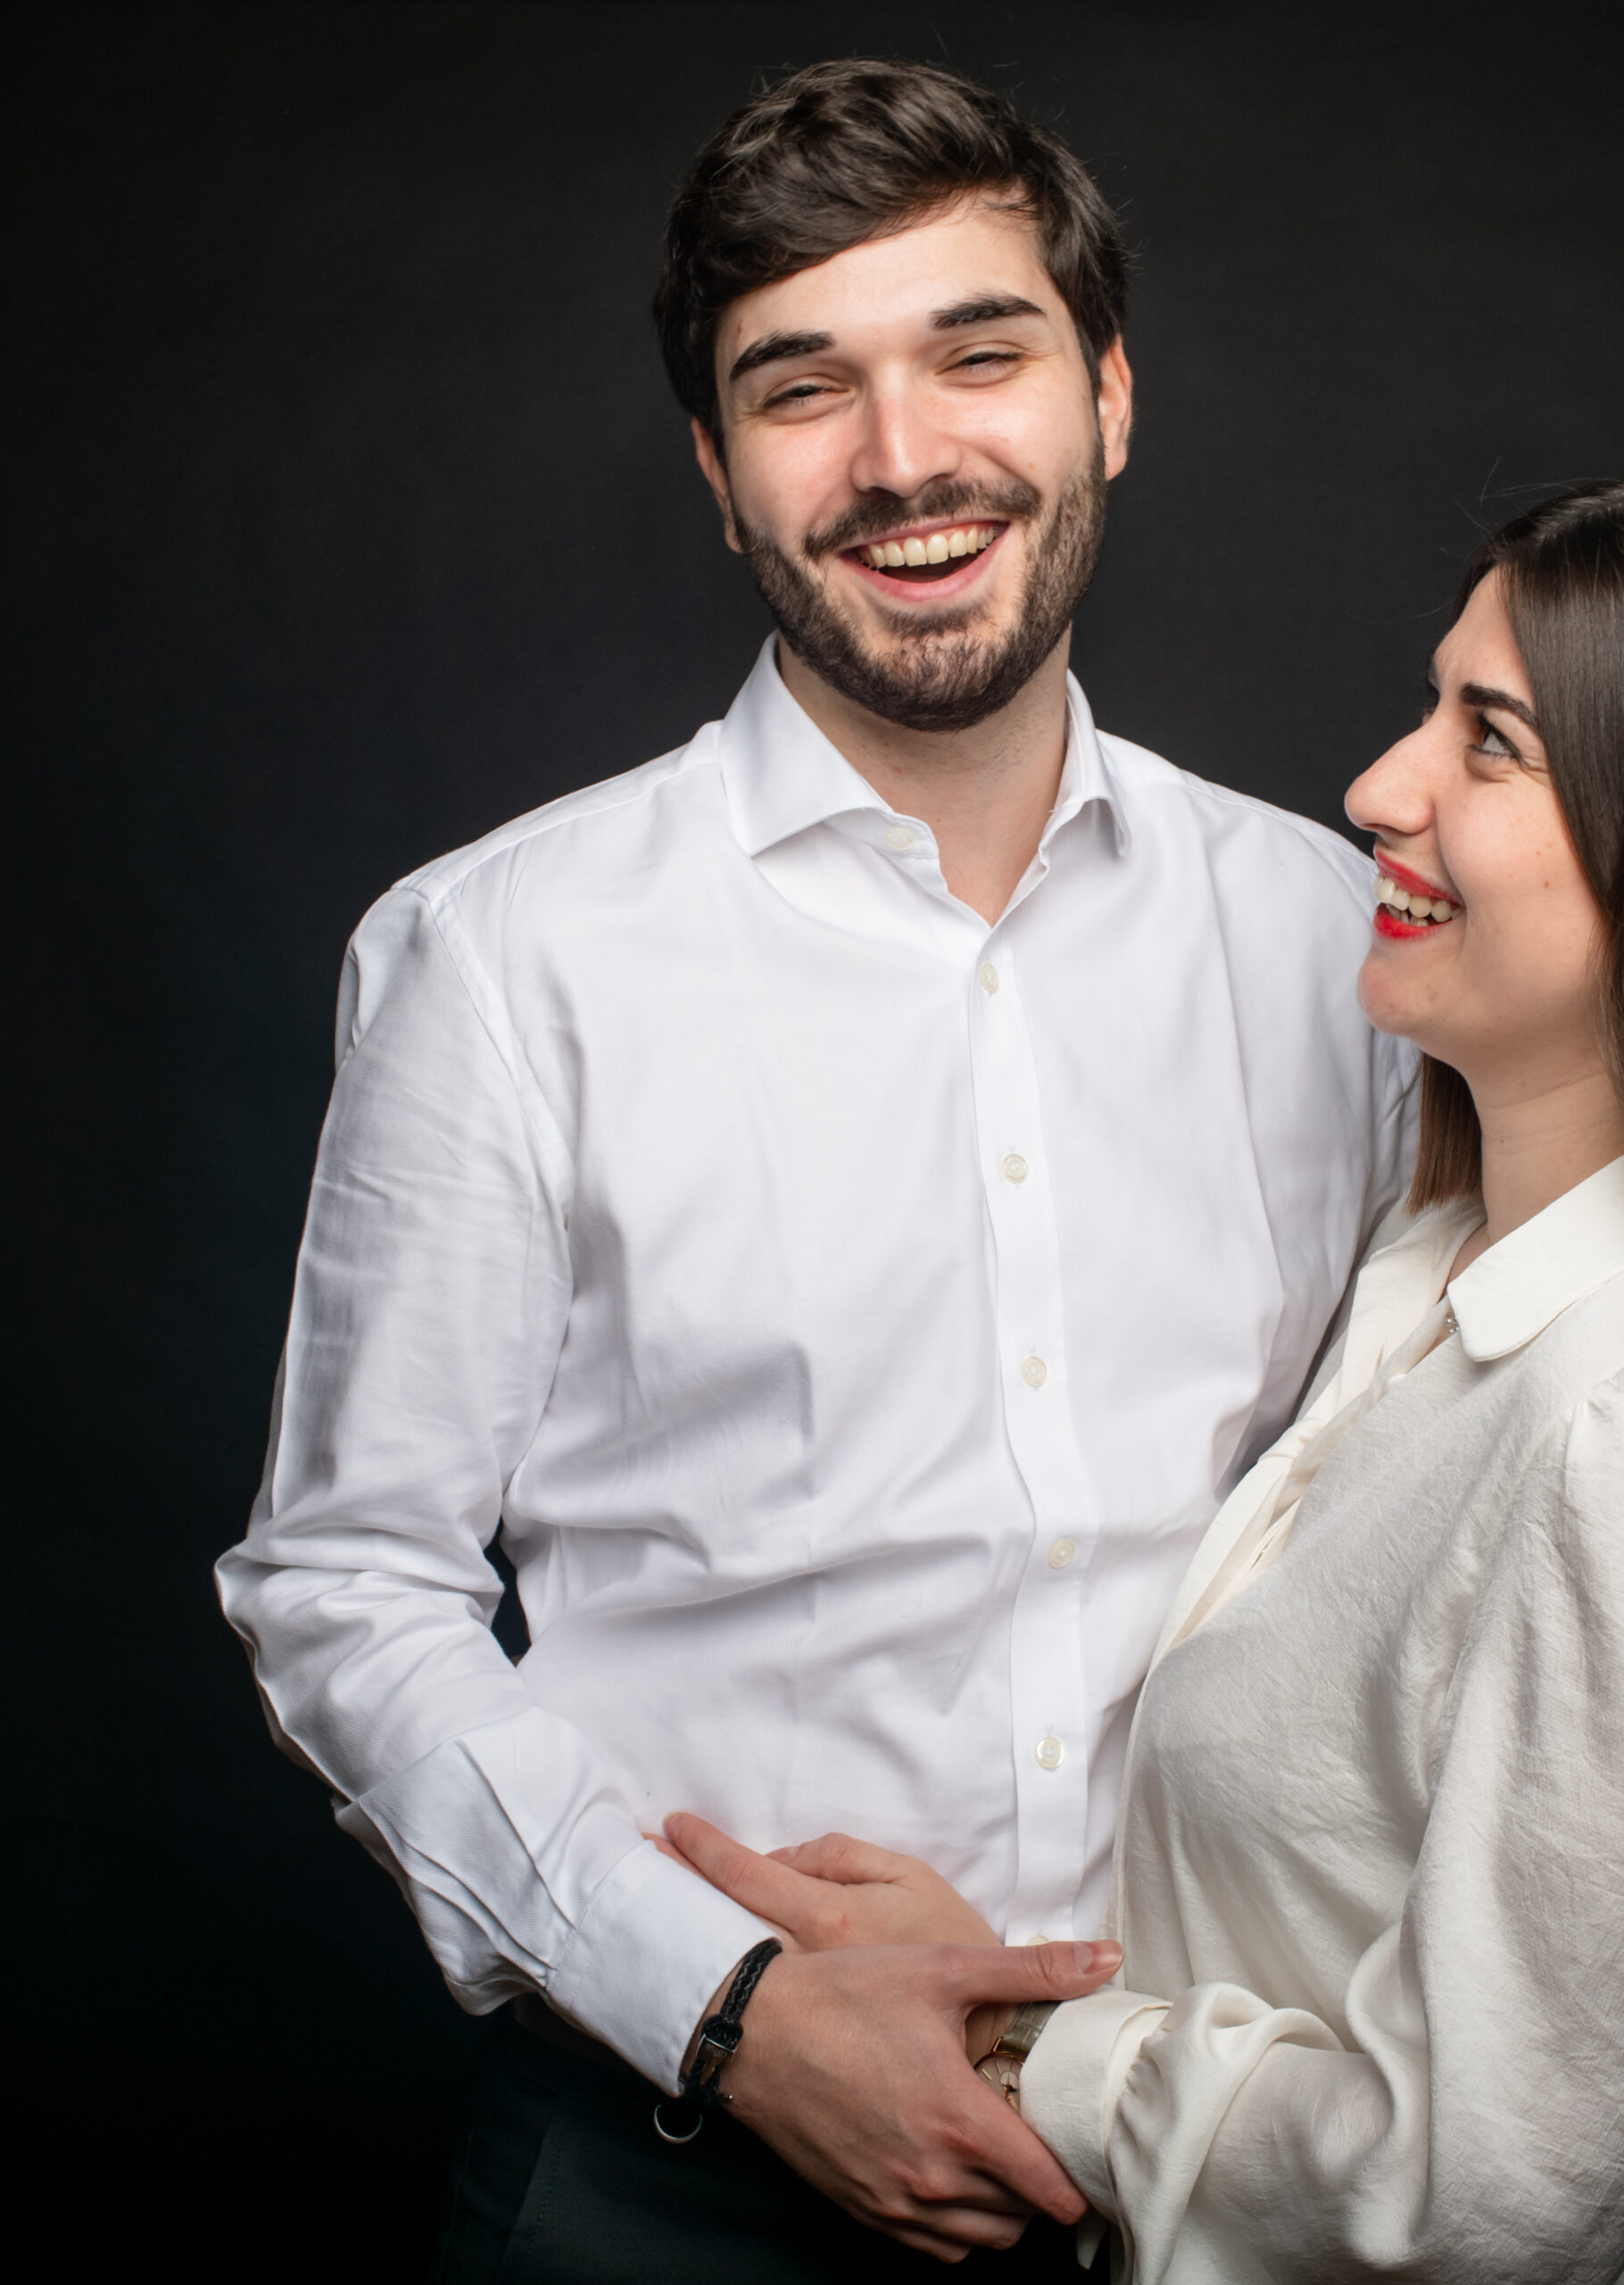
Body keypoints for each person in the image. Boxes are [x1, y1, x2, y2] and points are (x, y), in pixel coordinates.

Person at [213, 59, 1418, 2280]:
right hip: (661, 2188)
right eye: (801, 387)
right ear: (714, 468)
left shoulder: (1339, 936)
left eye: (979, 352)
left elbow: (1444, 1516)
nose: (901, 460)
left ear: (1110, 393)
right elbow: (346, 1585)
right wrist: (728, 2002)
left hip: (1221, 2145)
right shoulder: (502, 957)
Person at [667, 476, 1624, 2281]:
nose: (1375, 789)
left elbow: (1481, 2202)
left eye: (1486, 740)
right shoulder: (1435, 1275)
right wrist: (988, 1948)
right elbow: (1349, 1897)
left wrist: (1027, 2044)